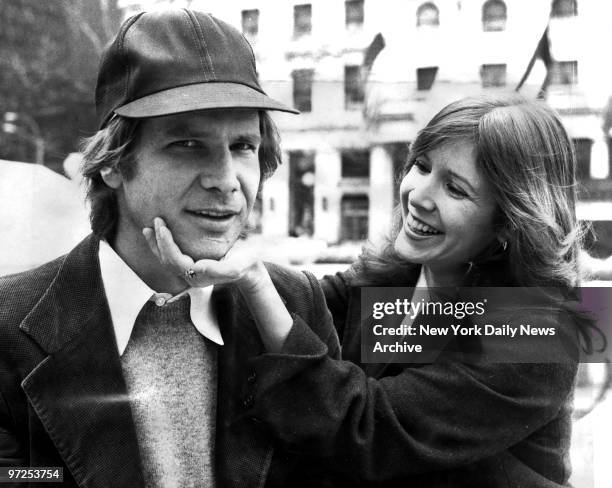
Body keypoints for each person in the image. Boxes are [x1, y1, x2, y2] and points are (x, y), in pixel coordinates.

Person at [149, 95, 597, 487]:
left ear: (507, 223)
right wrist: (205, 260)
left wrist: (254, 282)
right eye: (422, 166)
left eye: (455, 189)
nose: (418, 195)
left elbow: (367, 430)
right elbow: (303, 304)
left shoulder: (542, 330)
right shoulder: (397, 279)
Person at [0, 9, 339, 488]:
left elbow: (333, 460)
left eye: (243, 146)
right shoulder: (9, 327)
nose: (225, 181)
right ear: (113, 164)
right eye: (186, 144)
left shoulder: (292, 304)